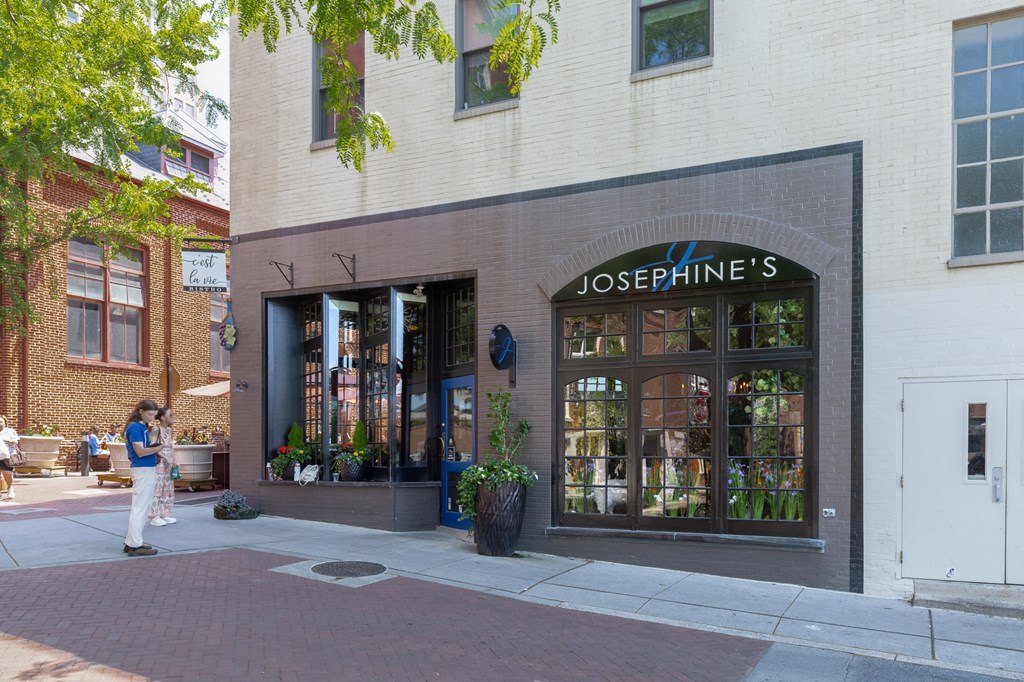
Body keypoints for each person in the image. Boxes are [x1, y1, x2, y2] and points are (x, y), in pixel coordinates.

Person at [122, 400, 163, 556]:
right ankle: (135, 545)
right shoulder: (136, 428)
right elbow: (140, 451)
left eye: (154, 415)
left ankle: (131, 542)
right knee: (140, 508)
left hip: (144, 469)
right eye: (150, 414)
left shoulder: (139, 427)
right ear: (141, 411)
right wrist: (160, 447)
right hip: (143, 469)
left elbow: (142, 449)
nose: (152, 418)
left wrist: (154, 448)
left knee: (141, 507)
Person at [148, 407, 177, 527]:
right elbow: (152, 446)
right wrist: (165, 457)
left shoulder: (169, 430)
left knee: (167, 489)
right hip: (160, 463)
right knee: (158, 489)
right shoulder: (156, 429)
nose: (173, 417)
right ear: (162, 417)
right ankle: (154, 516)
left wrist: (174, 460)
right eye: (170, 415)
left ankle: (165, 513)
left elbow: (171, 447)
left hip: (169, 464)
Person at [0, 417, 19, 501]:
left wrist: (7, 440)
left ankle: (10, 487)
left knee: (7, 474)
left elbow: (16, 441)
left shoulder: (9, 431)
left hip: (7, 456)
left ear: (5, 423)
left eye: (1, 422)